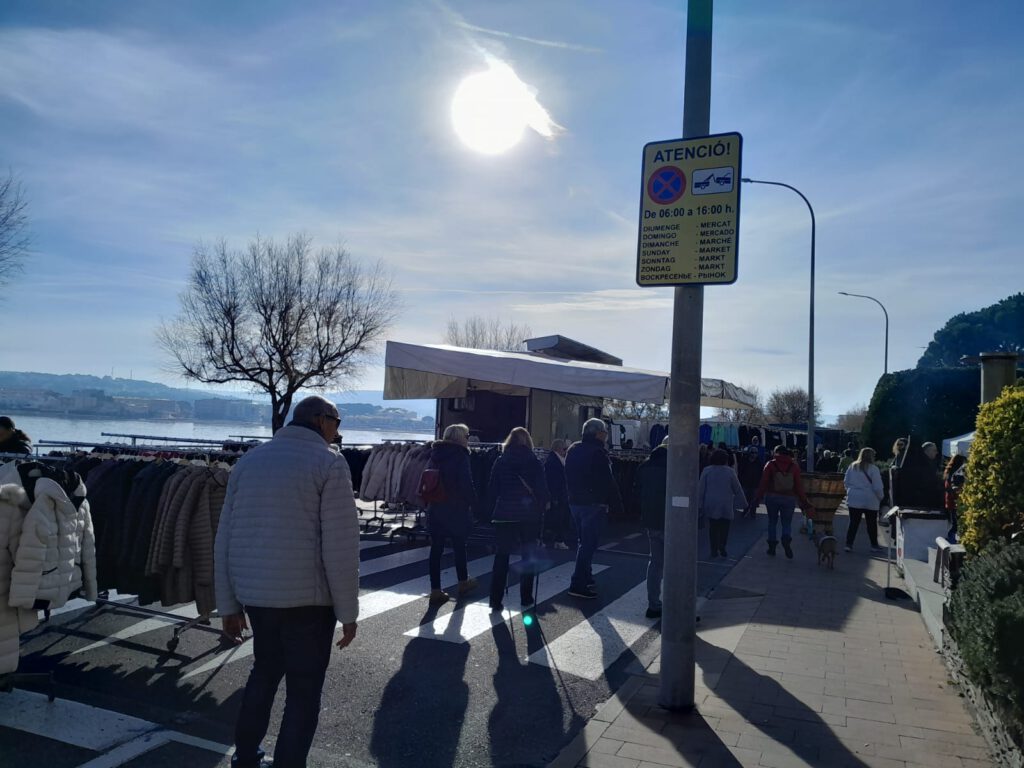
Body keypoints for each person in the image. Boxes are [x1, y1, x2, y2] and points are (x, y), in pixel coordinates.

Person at [215, 396, 359, 768]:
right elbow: (340, 546)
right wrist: (348, 613)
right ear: (321, 420)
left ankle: (245, 757)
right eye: (337, 422)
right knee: (303, 692)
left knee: (263, 674)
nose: (338, 431)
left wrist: (228, 605)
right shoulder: (329, 463)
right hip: (309, 603)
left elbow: (225, 537)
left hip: (257, 598)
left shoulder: (249, 462)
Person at [487, 427, 549, 611]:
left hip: (504, 514)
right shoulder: (534, 462)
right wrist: (544, 505)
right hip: (528, 516)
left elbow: (492, 489)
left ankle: (495, 599)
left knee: (502, 556)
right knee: (528, 555)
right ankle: (526, 597)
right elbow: (542, 489)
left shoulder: (501, 461)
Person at [565, 418, 623, 599]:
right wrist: (617, 505)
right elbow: (607, 481)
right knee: (588, 544)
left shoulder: (573, 449)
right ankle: (578, 582)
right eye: (604, 432)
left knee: (583, 541)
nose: (606, 436)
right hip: (593, 503)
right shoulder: (598, 453)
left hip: (575, 501)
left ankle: (586, 576)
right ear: (598, 434)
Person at [425, 423, 478, 605]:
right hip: (456, 508)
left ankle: (435, 589)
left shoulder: (434, 454)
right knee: (459, 546)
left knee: (436, 550)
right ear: (460, 437)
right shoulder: (461, 456)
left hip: (436, 506)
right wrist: (474, 504)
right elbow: (466, 483)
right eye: (467, 435)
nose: (468, 439)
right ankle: (463, 582)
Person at [753, 446, 812, 559]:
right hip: (789, 498)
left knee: (772, 522)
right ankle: (786, 539)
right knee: (786, 523)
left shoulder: (770, 464)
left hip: (772, 497)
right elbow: (798, 486)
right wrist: (804, 501)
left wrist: (758, 498)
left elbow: (763, 482)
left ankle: (772, 546)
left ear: (776, 453)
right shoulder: (794, 466)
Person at [634, 437, 668, 618]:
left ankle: (653, 603)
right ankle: (679, 606)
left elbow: (636, 491)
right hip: (672, 521)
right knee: (677, 565)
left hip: (651, 520)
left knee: (655, 563)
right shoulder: (675, 466)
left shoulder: (644, 466)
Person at [698, 449, 747, 559]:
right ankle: (722, 545)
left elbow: (701, 489)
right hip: (725, 502)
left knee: (713, 527)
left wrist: (699, 505)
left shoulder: (707, 470)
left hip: (711, 502)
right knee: (725, 526)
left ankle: (713, 549)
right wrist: (744, 503)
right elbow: (737, 488)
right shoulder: (730, 471)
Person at [843, 447, 885, 553]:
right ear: (871, 456)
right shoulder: (873, 469)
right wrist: (881, 497)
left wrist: (850, 491)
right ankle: (874, 545)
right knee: (871, 523)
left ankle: (849, 544)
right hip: (870, 499)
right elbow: (877, 486)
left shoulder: (852, 466)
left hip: (854, 498)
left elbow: (846, 482)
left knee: (853, 522)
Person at [544, 438, 571, 549]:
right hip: (558, 494)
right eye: (564, 449)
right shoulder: (554, 461)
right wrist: (554, 496)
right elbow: (553, 480)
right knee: (558, 518)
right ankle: (558, 540)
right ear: (559, 449)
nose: (565, 451)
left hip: (558, 494)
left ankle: (555, 539)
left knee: (556, 517)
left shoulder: (553, 459)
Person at [943, 454, 967, 543]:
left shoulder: (948, 473)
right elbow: (955, 489)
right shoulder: (956, 474)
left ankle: (951, 539)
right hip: (954, 503)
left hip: (949, 502)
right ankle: (951, 540)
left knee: (954, 524)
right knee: (956, 525)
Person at [736, 447, 763, 518]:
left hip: (755, 484)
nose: (754, 454)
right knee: (745, 499)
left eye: (756, 453)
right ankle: (745, 510)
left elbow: (761, 473)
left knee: (754, 499)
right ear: (749, 453)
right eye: (752, 452)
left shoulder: (759, 462)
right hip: (745, 483)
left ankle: (753, 512)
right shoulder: (744, 461)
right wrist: (740, 480)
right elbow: (740, 472)